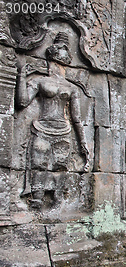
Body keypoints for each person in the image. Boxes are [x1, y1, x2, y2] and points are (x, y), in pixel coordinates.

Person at [16, 32, 90, 209]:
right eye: (56, 60)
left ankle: (57, 202)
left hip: (63, 130)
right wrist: (21, 78)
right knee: (38, 166)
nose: (58, 65)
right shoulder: (41, 81)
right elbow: (22, 102)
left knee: (60, 166)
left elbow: (77, 119)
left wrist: (83, 143)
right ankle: (37, 200)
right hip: (41, 127)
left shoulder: (72, 88)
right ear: (50, 58)